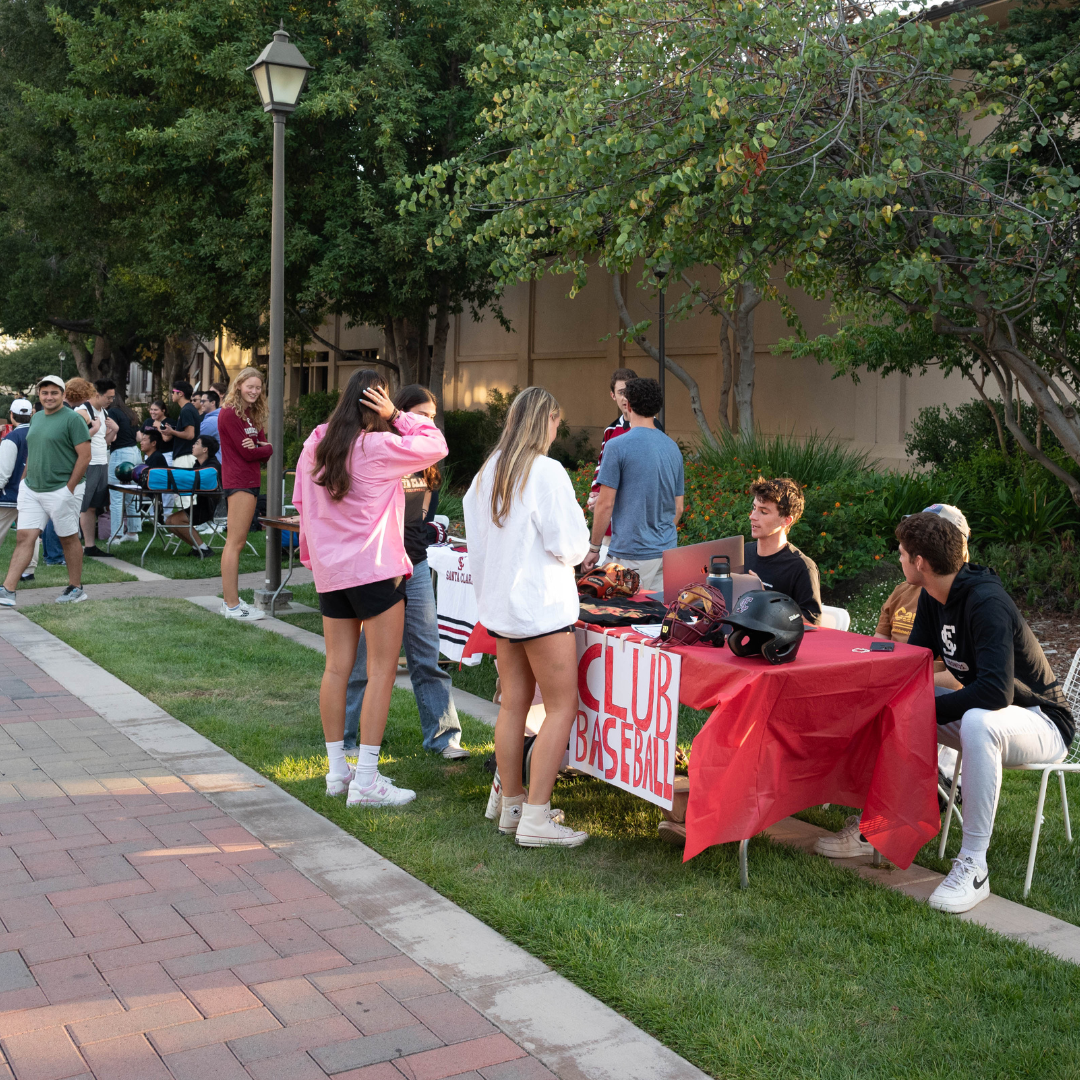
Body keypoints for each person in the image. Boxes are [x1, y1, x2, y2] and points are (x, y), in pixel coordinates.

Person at [294, 368, 447, 809]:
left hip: (332, 573)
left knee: (335, 669)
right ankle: (366, 780)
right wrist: (398, 414)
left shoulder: (315, 445)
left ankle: (337, 772)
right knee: (381, 671)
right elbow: (435, 445)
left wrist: (312, 559)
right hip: (376, 570)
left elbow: (302, 505)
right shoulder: (379, 446)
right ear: (376, 403)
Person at [464, 386, 592, 847]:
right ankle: (536, 817)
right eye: (557, 422)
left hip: (503, 609)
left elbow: (476, 547)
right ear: (546, 421)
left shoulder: (488, 471)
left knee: (514, 705)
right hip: (540, 608)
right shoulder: (546, 471)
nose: (559, 430)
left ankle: (513, 803)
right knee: (561, 707)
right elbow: (572, 546)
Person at [344, 385, 466, 761]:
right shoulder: (380, 451)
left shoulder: (426, 465)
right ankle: (348, 738)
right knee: (366, 660)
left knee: (426, 654)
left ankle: (443, 738)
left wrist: (431, 533)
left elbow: (423, 519)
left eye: (432, 416)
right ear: (398, 413)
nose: (428, 421)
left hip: (415, 565)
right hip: (379, 569)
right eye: (421, 414)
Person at [580, 377, 683, 593]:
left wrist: (594, 549)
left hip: (630, 555)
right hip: (667, 554)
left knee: (624, 618)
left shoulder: (616, 445)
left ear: (627, 405)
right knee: (654, 619)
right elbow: (678, 508)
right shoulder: (672, 448)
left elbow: (605, 504)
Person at [0, 375, 91, 606]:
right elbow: (34, 450)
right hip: (32, 489)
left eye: (54, 392)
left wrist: (69, 489)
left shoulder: (73, 419)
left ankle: (76, 588)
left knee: (67, 538)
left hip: (62, 489)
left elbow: (85, 456)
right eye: (45, 392)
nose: (49, 396)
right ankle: (8, 590)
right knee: (24, 537)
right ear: (38, 395)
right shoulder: (37, 417)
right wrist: (23, 481)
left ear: (63, 394)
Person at [217, 367, 273, 621]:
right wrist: (264, 448)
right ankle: (231, 606)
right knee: (235, 543)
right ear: (238, 385)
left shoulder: (252, 414)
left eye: (258, 387)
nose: (254, 391)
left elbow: (265, 447)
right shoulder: (229, 414)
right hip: (238, 481)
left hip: (251, 480)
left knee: (237, 543)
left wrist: (264, 447)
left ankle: (233, 602)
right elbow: (249, 452)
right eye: (250, 386)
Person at [742, 476, 822, 624]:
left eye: (763, 512)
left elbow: (812, 623)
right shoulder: (741, 553)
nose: (752, 517)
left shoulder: (802, 567)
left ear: (786, 520)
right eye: (754, 508)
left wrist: (766, 600)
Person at [68, 378, 117, 558]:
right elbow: (74, 440)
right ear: (98, 394)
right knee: (81, 505)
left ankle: (90, 546)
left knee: (92, 507)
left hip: (101, 462)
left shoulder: (103, 412)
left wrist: (114, 431)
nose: (111, 401)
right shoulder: (82, 411)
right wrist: (95, 429)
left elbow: (102, 443)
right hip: (88, 464)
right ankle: (73, 545)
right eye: (109, 397)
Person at [587, 367, 638, 512]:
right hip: (611, 513)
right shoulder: (610, 431)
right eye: (621, 393)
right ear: (613, 395)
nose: (626, 397)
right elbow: (602, 466)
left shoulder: (652, 427)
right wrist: (596, 495)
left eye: (630, 391)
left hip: (637, 510)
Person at [0, 400, 40, 581]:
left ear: (11, 415)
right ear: (31, 414)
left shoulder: (12, 438)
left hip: (10, 494)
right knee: (30, 534)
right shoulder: (39, 434)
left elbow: (4, 471)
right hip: (32, 492)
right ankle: (28, 570)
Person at [165, 435, 221, 557]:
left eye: (196, 443)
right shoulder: (198, 464)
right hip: (202, 505)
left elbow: (201, 485)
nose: (193, 445)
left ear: (205, 449)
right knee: (169, 521)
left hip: (213, 508)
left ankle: (204, 550)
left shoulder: (213, 467)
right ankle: (198, 548)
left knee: (176, 520)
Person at [102, 381, 142, 542]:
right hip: (135, 452)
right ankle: (133, 532)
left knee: (117, 496)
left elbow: (113, 436)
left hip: (120, 454)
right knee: (132, 494)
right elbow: (139, 437)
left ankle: (116, 534)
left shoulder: (111, 413)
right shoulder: (130, 413)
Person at [163, 380, 200, 461]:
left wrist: (172, 432)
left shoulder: (186, 410)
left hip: (185, 456)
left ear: (180, 394)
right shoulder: (189, 408)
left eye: (173, 392)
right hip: (187, 455)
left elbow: (190, 435)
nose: (172, 394)